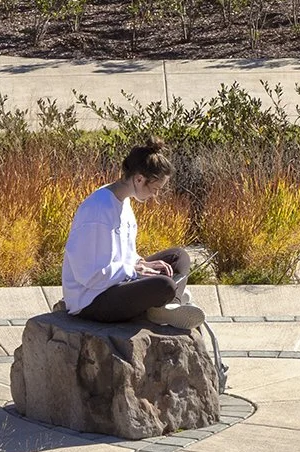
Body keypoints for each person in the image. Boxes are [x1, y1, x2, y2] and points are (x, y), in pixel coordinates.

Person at [60, 141, 199, 328]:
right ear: (139, 179)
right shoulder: (97, 209)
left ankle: (168, 304)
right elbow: (90, 275)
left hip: (117, 283)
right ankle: (167, 300)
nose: (154, 196)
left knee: (178, 257)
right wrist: (134, 271)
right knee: (164, 285)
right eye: (154, 189)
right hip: (91, 300)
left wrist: (141, 263)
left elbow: (125, 254)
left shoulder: (123, 202)